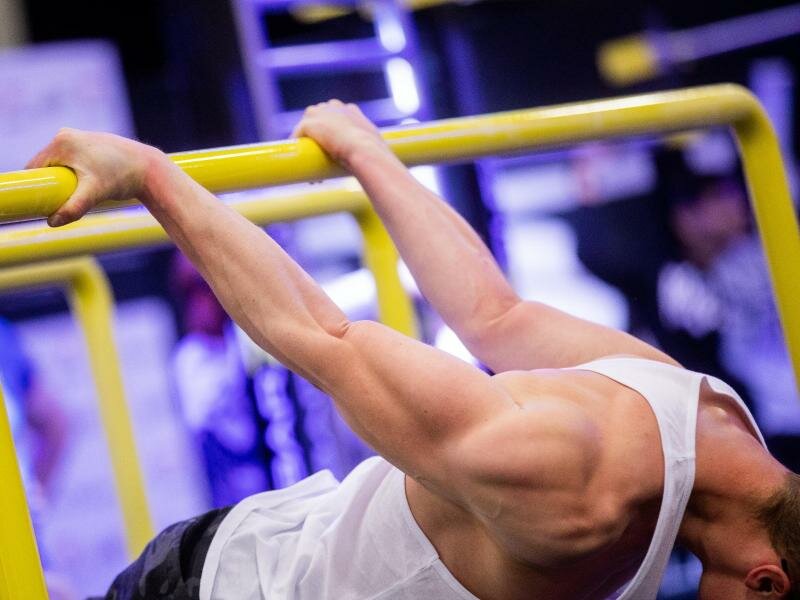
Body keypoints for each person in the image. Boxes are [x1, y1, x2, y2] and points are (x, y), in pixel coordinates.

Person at [29, 101, 798, 600]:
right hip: (231, 587)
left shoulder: (708, 415)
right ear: (766, 582)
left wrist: (370, 154)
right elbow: (321, 336)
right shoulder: (576, 491)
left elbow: (494, 314)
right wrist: (150, 175)